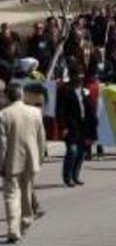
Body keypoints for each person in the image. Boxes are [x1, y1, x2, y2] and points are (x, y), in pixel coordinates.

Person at [0, 84, 46, 244]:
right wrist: (39, 158)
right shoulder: (35, 112)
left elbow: (2, 144)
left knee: (11, 195)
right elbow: (41, 139)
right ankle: (25, 222)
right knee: (26, 193)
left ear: (7, 97)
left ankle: (13, 229)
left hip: (11, 162)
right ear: (21, 95)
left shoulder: (3, 115)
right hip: (31, 160)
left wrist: (1, 164)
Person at [57, 66, 96, 188]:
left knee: (81, 152)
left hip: (83, 126)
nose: (80, 78)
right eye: (77, 76)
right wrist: (63, 127)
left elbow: (87, 108)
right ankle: (67, 177)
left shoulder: (83, 90)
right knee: (72, 151)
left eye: (81, 76)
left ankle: (75, 175)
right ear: (72, 76)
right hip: (71, 126)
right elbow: (60, 110)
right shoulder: (64, 90)